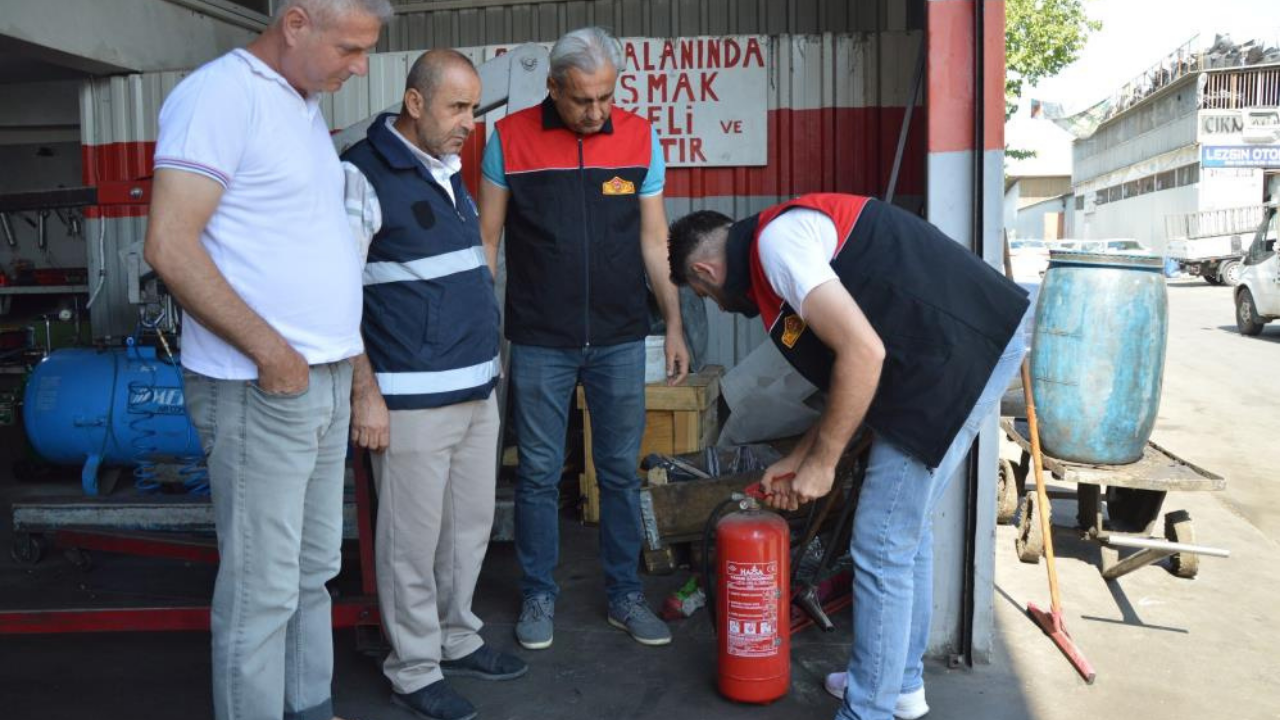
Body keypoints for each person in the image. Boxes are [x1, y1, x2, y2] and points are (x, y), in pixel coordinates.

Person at [666, 194, 1030, 720]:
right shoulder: (775, 255)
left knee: (882, 542)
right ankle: (897, 686)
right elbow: (851, 376)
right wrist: (803, 453)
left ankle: (869, 710)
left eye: (703, 293)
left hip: (958, 355)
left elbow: (864, 353)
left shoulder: (777, 245)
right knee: (904, 534)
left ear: (704, 271)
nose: (717, 304)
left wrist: (823, 463)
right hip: (942, 357)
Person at [142, 1, 390, 719]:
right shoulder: (221, 95)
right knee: (262, 589)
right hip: (260, 385)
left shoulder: (301, 105)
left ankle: (309, 704)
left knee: (313, 573)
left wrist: (345, 370)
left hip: (319, 378)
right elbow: (170, 245)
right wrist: (271, 353)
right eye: (349, 48)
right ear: (296, 21)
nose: (360, 66)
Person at [477, 26, 689, 650]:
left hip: (622, 337)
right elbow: (487, 243)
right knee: (539, 474)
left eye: (604, 98)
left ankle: (624, 594)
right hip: (540, 337)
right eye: (580, 101)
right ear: (552, 88)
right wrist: (478, 329)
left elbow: (655, 241)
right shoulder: (508, 140)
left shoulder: (639, 136)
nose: (595, 112)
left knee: (619, 472)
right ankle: (540, 593)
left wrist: (673, 322)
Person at [341, 49, 526, 720]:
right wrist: (366, 393)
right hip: (409, 397)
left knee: (466, 530)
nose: (468, 124)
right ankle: (414, 670)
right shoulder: (361, 176)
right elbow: (336, 297)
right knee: (409, 545)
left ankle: (455, 636)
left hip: (476, 388)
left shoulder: (448, 172)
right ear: (414, 103)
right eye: (456, 107)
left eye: (473, 108)